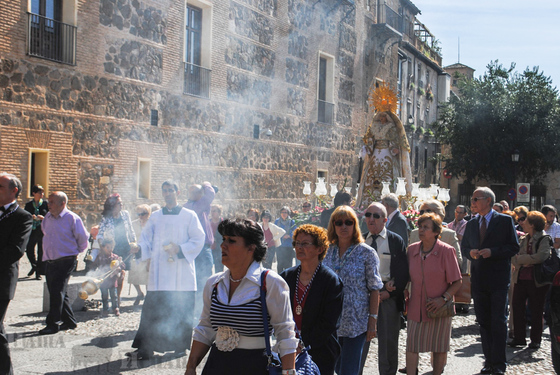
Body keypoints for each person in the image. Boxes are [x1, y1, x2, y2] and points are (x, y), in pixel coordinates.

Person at [185, 219, 298, 375]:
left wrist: (289, 372)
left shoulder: (270, 283)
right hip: (216, 365)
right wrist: (190, 367)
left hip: (254, 365)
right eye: (223, 239)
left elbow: (285, 333)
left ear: (251, 248)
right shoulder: (214, 283)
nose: (223, 245)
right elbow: (206, 328)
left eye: (231, 241)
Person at [127, 180, 205, 360]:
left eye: (171, 190)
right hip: (160, 273)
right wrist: (139, 248)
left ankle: (179, 346)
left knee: (180, 310)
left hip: (181, 273)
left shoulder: (189, 215)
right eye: (165, 191)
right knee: (153, 310)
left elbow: (198, 239)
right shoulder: (155, 216)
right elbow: (146, 239)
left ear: (178, 193)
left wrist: (180, 249)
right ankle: (146, 348)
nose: (168, 193)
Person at [461, 187, 519, 375]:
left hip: (498, 281)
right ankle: (488, 362)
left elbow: (513, 247)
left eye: (476, 199)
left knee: (498, 322)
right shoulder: (471, 223)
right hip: (479, 280)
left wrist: (492, 252)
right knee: (484, 322)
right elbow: (464, 248)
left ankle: (499, 364)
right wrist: (470, 253)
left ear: (487, 200)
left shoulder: (504, 220)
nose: (473, 202)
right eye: (472, 199)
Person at [322, 205, 383, 375]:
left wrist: (373, 320)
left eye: (348, 222)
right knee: (336, 368)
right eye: (339, 222)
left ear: (354, 225)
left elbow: (374, 288)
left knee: (349, 371)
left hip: (356, 323)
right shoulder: (327, 251)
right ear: (333, 225)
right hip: (331, 323)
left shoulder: (366, 253)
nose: (343, 227)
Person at [281, 224, 344, 375]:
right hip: (288, 348)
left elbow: (329, 322)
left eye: (305, 243)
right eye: (297, 243)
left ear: (320, 249)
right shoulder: (286, 277)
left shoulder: (330, 281)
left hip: (320, 350)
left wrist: (302, 344)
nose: (299, 247)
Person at [405, 213, 462, 375]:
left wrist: (443, 299)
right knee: (412, 345)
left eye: (426, 227)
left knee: (439, 347)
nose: (421, 230)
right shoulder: (412, 250)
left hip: (439, 309)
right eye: (420, 226)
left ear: (436, 231)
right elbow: (406, 276)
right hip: (416, 308)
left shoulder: (446, 251)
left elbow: (457, 282)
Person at [361, 202, 408, 375]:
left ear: (385, 220)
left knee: (388, 341)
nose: (371, 219)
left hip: (387, 297)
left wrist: (389, 293)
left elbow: (403, 272)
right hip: (363, 299)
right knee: (359, 340)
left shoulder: (395, 241)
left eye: (376, 216)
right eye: (368, 215)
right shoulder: (360, 239)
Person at [40, 191, 89, 335]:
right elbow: (45, 233)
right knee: (58, 291)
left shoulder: (72, 218)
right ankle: (69, 321)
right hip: (50, 260)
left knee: (56, 291)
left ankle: (53, 324)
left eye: (52, 202)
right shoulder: (47, 218)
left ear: (62, 203)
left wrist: (74, 253)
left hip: (65, 260)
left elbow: (82, 239)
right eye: (48, 201)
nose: (48, 205)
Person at [0, 173, 32, 374]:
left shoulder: (23, 217)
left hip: (2, 280)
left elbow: (16, 250)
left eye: (0, 186)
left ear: (14, 191)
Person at [509, 211, 551, 349]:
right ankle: (519, 338)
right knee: (517, 308)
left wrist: (522, 259)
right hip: (520, 278)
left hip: (536, 280)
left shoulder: (544, 239)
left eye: (526, 221)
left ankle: (535, 340)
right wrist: (525, 260)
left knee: (536, 310)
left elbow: (541, 257)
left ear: (532, 224)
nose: (523, 223)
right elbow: (514, 257)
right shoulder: (524, 239)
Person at [96, 194, 138, 305]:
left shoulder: (125, 214)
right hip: (113, 247)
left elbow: (130, 229)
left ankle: (117, 298)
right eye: (119, 203)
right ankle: (112, 297)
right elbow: (100, 234)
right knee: (114, 273)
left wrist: (134, 243)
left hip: (125, 246)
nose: (121, 205)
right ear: (113, 205)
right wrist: (103, 246)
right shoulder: (106, 217)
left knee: (122, 273)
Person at [184, 181, 216, 322]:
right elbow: (210, 194)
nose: (200, 195)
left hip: (200, 249)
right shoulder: (194, 206)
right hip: (201, 249)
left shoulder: (193, 206)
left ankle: (199, 312)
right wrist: (206, 184)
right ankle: (199, 314)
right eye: (198, 192)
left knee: (201, 280)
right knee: (202, 281)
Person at [409, 200, 462, 270]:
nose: (424, 214)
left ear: (439, 214)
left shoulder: (449, 235)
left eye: (428, 211)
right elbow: (409, 260)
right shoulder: (415, 234)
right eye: (422, 212)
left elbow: (458, 262)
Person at [93, 237, 125, 316]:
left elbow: (123, 266)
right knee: (104, 296)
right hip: (103, 280)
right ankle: (105, 309)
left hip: (113, 281)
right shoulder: (100, 257)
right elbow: (94, 266)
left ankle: (115, 308)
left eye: (111, 247)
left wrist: (119, 266)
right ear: (103, 247)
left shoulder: (115, 257)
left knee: (114, 295)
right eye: (108, 247)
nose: (110, 249)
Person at [24, 184, 48, 280]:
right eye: (39, 192)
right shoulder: (29, 205)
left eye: (42, 192)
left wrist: (43, 218)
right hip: (32, 230)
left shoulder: (45, 204)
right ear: (34, 193)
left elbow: (50, 217)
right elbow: (25, 217)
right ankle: (34, 266)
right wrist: (31, 217)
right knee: (29, 250)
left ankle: (38, 272)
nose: (42, 194)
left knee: (41, 252)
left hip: (41, 230)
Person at [129, 204, 151, 305]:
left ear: (148, 213)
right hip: (136, 252)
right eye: (139, 214)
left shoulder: (152, 224)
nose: (141, 216)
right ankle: (139, 293)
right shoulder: (133, 224)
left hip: (148, 252)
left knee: (147, 276)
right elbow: (130, 237)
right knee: (133, 275)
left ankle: (148, 297)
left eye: (144, 213)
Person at [275, 206, 296, 272]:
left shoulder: (292, 221)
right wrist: (281, 235)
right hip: (279, 245)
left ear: (288, 213)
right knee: (280, 264)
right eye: (282, 212)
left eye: (285, 212)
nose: (284, 214)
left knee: (288, 264)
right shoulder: (277, 221)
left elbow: (295, 232)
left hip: (288, 246)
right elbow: (274, 231)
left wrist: (289, 236)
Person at [209, 204, 224, 272]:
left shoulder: (223, 223)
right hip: (209, 249)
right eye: (211, 211)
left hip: (219, 250)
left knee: (219, 271)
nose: (212, 213)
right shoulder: (207, 222)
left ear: (219, 212)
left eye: (214, 211)